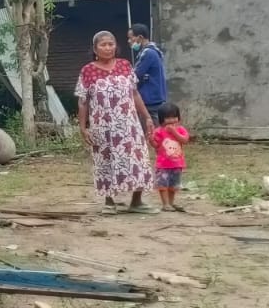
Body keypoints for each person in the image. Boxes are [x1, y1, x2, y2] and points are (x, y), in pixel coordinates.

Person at [76, 31, 157, 211]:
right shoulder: (88, 70)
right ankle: (109, 201)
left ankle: (136, 201)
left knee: (137, 159)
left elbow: (135, 94)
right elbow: (83, 101)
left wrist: (147, 117)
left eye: (111, 44)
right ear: (95, 48)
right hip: (102, 126)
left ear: (116, 46)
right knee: (105, 160)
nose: (107, 48)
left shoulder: (125, 66)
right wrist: (83, 127)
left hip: (129, 125)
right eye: (103, 45)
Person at [152, 103, 190, 212]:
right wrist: (151, 139)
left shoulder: (181, 129)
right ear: (161, 119)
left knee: (174, 186)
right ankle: (165, 204)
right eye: (168, 118)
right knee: (163, 185)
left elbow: (185, 140)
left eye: (174, 117)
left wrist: (174, 132)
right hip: (163, 164)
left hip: (177, 164)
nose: (172, 120)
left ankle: (171, 203)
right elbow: (156, 145)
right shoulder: (159, 131)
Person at [129, 23, 167, 117]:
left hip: (150, 98)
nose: (129, 41)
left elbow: (136, 74)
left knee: (151, 129)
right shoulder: (153, 51)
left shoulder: (148, 53)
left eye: (131, 38)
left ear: (140, 37)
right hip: (154, 97)